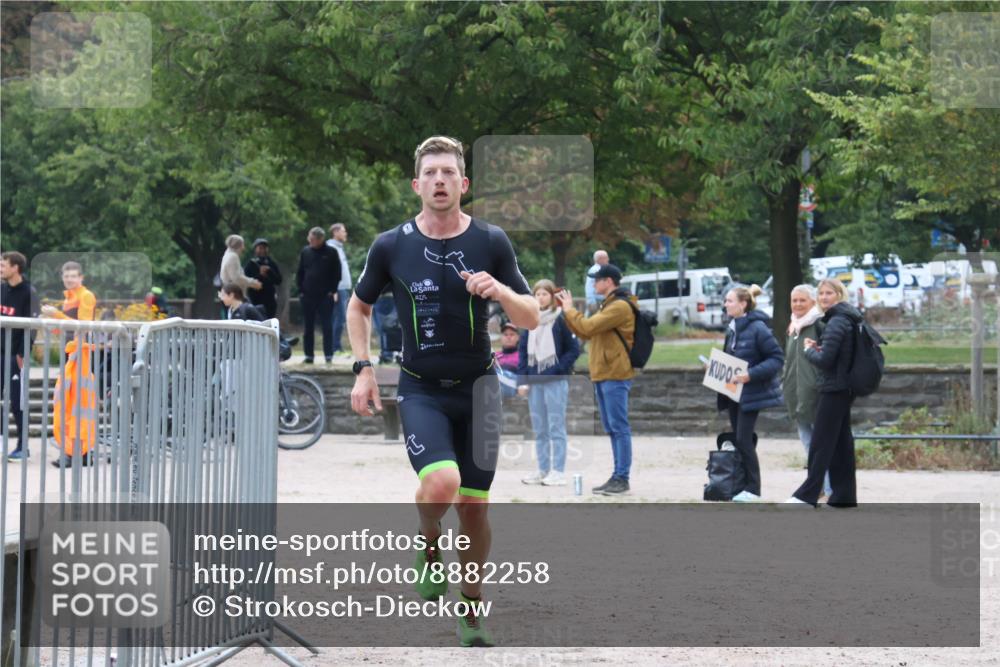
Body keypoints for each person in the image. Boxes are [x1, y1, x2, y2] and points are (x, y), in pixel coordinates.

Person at [347, 135, 538, 647]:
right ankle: (429, 542)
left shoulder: (492, 242)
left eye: (448, 173)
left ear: (463, 183)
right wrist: (364, 368)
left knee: (475, 508)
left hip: (480, 389)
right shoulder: (392, 245)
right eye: (430, 173)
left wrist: (498, 289)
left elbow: (532, 315)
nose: (439, 180)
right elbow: (358, 306)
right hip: (422, 388)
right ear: (416, 184)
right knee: (441, 484)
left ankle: (471, 607)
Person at [555, 263, 635, 496]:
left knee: (619, 427)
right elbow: (585, 331)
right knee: (612, 427)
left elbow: (588, 326)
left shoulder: (619, 306)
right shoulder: (608, 305)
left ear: (608, 281)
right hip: (604, 372)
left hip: (615, 374)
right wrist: (568, 313)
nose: (593, 283)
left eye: (597, 279)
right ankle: (618, 476)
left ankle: (622, 477)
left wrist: (570, 309)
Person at [788, 278, 862, 507]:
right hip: (841, 388)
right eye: (821, 294)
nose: (824, 298)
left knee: (820, 445)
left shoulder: (837, 321)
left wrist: (811, 350)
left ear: (839, 295)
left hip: (833, 389)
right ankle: (844, 497)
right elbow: (836, 354)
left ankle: (806, 496)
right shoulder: (843, 319)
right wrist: (820, 348)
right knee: (841, 446)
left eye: (829, 293)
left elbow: (826, 360)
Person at [717, 284, 784, 502]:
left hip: (751, 393)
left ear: (743, 304)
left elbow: (776, 358)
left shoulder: (758, 328)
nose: (726, 304)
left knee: (744, 440)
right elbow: (733, 359)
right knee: (739, 439)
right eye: (726, 301)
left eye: (730, 301)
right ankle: (742, 485)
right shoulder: (733, 327)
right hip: (733, 393)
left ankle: (754, 490)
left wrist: (750, 375)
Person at [517, 279, 580, 486]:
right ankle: (542, 469)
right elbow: (523, 354)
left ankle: (558, 471)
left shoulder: (560, 319)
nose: (541, 297)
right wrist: (522, 380)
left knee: (556, 427)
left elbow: (573, 350)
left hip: (554, 381)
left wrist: (558, 369)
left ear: (552, 297)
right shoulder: (530, 321)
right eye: (537, 294)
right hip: (534, 382)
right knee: (540, 428)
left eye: (545, 294)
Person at [40, 261, 98, 468]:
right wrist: (54, 323)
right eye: (66, 276)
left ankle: (76, 452)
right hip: (72, 352)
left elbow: (82, 325)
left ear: (81, 278)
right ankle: (76, 452)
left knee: (76, 403)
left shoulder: (85, 296)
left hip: (80, 354)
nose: (69, 279)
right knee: (69, 403)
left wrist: (56, 316)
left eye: (73, 276)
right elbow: (68, 328)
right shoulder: (70, 298)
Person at [782, 284, 831, 498]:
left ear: (812, 302)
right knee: (808, 445)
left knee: (821, 446)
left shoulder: (819, 323)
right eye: (794, 300)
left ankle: (830, 489)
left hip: (816, 393)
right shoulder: (793, 327)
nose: (798, 304)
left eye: (802, 300)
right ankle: (816, 486)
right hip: (797, 394)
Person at [1, 252, 39, 460]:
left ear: (15, 268)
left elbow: (32, 328)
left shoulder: (29, 292)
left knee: (18, 402)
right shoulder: (1, 289)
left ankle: (23, 447)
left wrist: (23, 354)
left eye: (3, 265)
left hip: (16, 355)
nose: (0, 268)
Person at [296, 227, 342, 364]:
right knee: (308, 327)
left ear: (321, 239)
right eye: (309, 239)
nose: (310, 241)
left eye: (313, 239)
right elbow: (300, 272)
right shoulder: (305, 252)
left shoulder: (331, 252)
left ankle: (329, 355)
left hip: (325, 296)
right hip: (308, 295)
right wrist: (301, 290)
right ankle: (309, 356)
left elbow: (337, 273)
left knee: (327, 326)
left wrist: (332, 291)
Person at [327, 223, 353, 356]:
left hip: (343, 289)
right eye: (343, 231)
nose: (345, 233)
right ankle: (335, 347)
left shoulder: (339, 248)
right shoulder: (331, 248)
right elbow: (330, 271)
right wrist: (334, 290)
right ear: (335, 232)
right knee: (339, 318)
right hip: (338, 289)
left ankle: (335, 347)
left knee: (339, 318)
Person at [244, 238, 283, 319]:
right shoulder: (251, 264)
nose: (263, 250)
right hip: (256, 299)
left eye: (265, 248)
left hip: (270, 300)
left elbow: (278, 280)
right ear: (255, 249)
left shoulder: (271, 263)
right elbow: (246, 281)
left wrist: (269, 271)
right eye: (260, 248)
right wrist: (260, 275)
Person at [584, 250, 609, 315]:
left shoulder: (599, 269)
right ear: (600, 259)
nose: (608, 259)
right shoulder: (595, 270)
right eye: (606, 258)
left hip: (599, 301)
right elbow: (589, 287)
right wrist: (591, 302)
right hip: (597, 302)